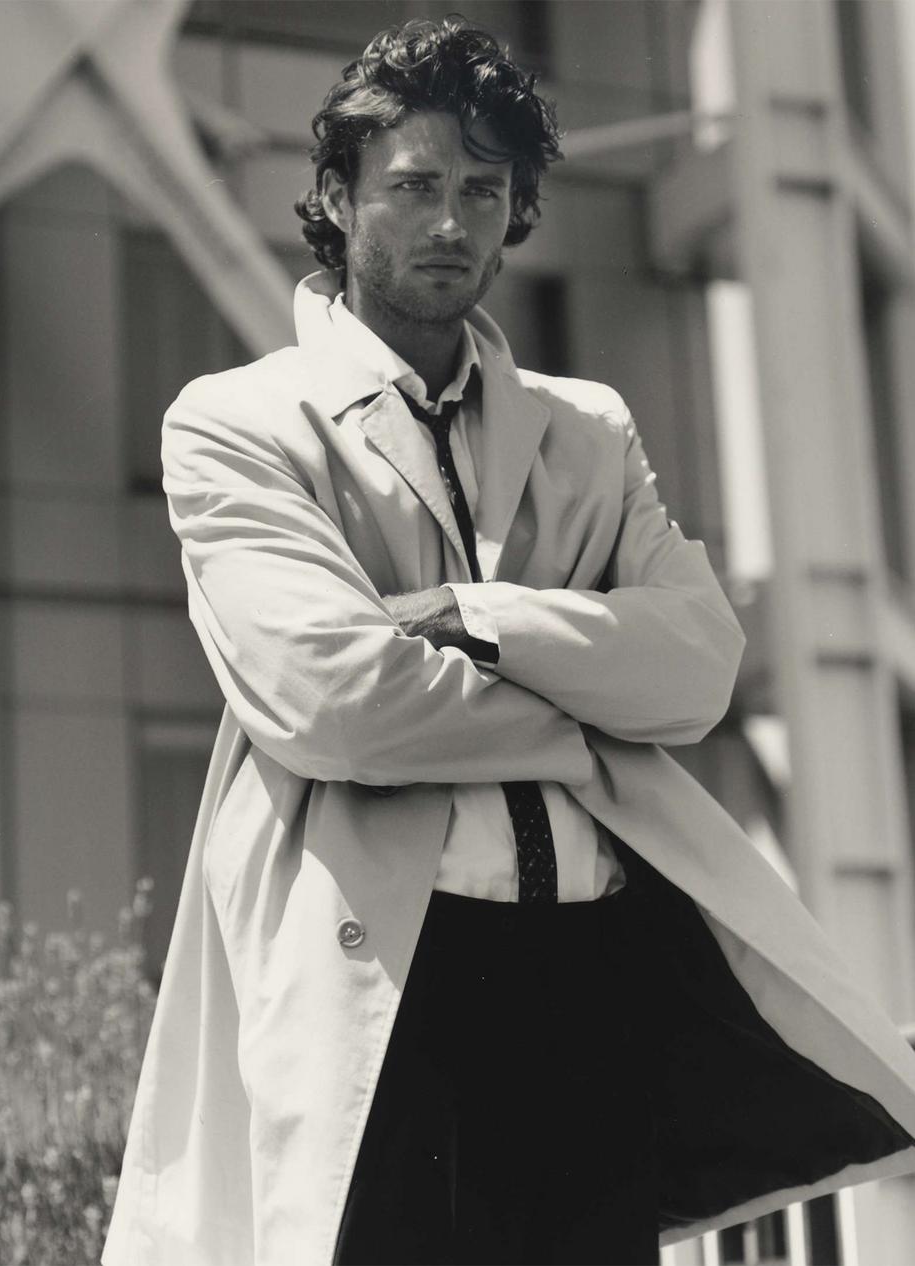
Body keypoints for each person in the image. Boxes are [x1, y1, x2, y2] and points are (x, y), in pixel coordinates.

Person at [103, 16, 915, 1266]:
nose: (449, 222)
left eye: (483, 191)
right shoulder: (237, 420)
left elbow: (696, 668)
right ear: (336, 199)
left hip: (591, 981)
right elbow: (337, 701)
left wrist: (473, 618)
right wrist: (588, 715)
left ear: (516, 211)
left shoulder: (587, 427)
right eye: (413, 186)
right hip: (388, 979)